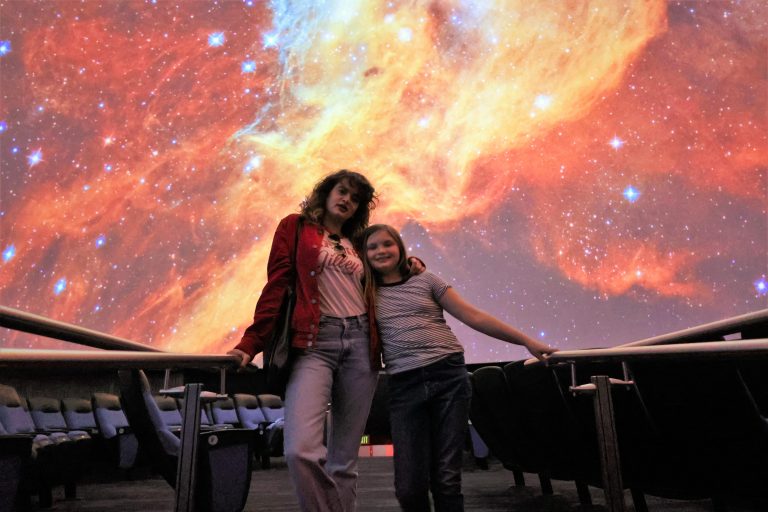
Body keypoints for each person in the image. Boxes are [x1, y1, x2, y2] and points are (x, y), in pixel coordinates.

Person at [228, 170, 419, 512]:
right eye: (342, 191)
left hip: (361, 344)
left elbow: (388, 275)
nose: (347, 200)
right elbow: (277, 284)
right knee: (300, 451)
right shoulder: (295, 227)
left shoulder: (360, 241)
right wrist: (251, 341)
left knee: (344, 462)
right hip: (314, 344)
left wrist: (412, 265)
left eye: (355, 199)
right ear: (326, 193)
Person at [361, 224, 557, 512]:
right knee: (409, 488)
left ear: (399, 247)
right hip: (404, 385)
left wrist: (526, 341)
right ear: (364, 255)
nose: (381, 251)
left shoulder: (426, 279)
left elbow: (472, 315)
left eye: (387, 244)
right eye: (372, 247)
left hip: (448, 377)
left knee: (446, 479)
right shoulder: (365, 291)